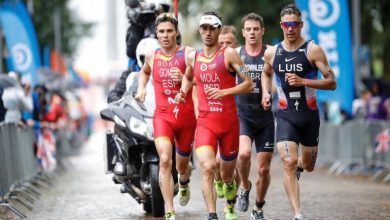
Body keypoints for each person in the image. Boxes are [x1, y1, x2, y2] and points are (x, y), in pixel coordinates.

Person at [261, 4, 336, 220]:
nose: (290, 28)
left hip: (309, 115)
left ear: (301, 25)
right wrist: (266, 92)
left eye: (294, 24)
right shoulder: (272, 53)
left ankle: (301, 169)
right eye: (286, 24)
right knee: (288, 163)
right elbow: (266, 73)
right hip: (285, 115)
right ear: (281, 26)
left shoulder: (313, 50)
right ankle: (298, 213)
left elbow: (332, 82)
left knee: (308, 165)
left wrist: (304, 81)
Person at [176, 11, 253, 220]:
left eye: (212, 28)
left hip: (229, 124)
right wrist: (183, 90)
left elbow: (249, 84)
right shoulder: (194, 57)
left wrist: (224, 92)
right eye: (204, 28)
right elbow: (188, 77)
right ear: (200, 30)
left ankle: (229, 196)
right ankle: (212, 215)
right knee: (208, 167)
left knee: (227, 174)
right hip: (205, 123)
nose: (208, 33)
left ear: (219, 30)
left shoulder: (228, 54)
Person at [135, 12, 196, 220]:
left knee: (181, 165)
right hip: (163, 116)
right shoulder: (153, 55)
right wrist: (141, 88)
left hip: (186, 118)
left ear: (176, 32)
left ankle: (184, 180)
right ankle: (170, 210)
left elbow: (204, 78)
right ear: (156, 34)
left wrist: (185, 78)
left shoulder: (188, 54)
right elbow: (144, 71)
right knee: (164, 160)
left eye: (169, 31)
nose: (165, 35)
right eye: (161, 31)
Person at [233, 13, 274, 220]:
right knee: (244, 154)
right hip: (243, 114)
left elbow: (277, 80)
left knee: (264, 168)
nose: (252, 32)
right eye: (248, 29)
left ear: (262, 31)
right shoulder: (236, 54)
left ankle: (258, 207)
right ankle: (243, 186)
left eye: (255, 29)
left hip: (265, 117)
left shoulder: (270, 53)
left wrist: (270, 93)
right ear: (243, 32)